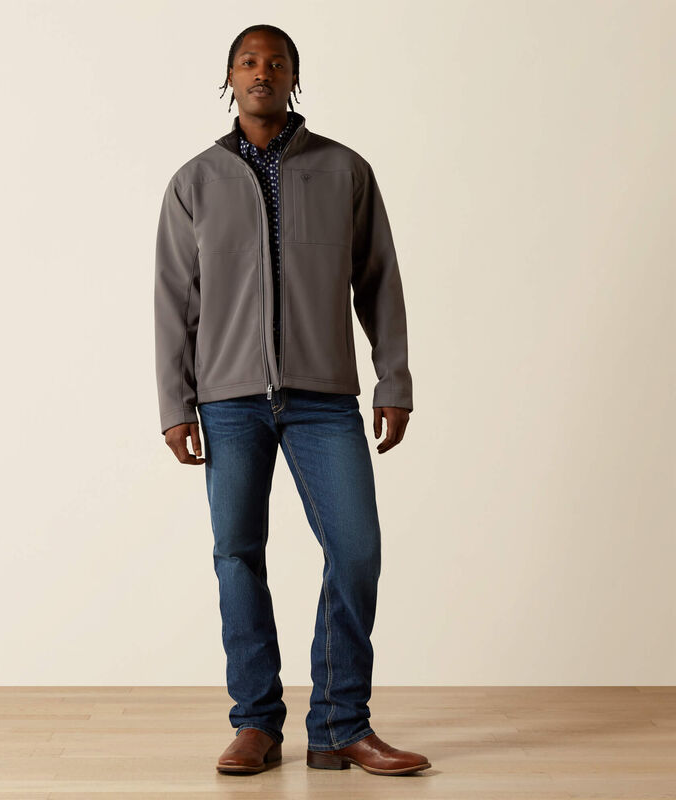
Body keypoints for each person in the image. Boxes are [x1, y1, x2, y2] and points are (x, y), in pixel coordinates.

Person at [154, 24, 431, 777]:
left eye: (276, 62)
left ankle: (341, 724)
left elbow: (380, 280)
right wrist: (176, 403)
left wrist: (394, 379)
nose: (261, 72)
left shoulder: (344, 171)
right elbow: (174, 300)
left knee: (356, 550)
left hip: (323, 398)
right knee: (237, 556)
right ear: (229, 78)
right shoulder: (194, 182)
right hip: (228, 400)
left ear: (293, 78)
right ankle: (256, 723)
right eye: (248, 61)